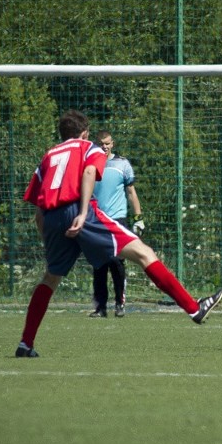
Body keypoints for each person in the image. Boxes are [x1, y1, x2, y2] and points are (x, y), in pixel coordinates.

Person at [16, 110, 222, 357]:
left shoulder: (48, 156)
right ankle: (194, 308)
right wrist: (82, 214)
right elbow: (90, 173)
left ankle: (25, 344)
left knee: (50, 278)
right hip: (79, 210)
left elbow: (38, 210)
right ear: (84, 133)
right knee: (145, 253)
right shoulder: (88, 147)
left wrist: (48, 239)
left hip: (51, 217)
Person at [88, 130, 144, 318]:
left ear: (113, 144)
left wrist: (138, 218)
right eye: (101, 143)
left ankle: (120, 303)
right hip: (97, 220)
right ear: (96, 144)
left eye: (107, 143)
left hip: (117, 219)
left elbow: (131, 193)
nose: (104, 146)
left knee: (116, 261)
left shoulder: (122, 164)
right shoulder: (90, 165)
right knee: (99, 264)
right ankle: (100, 306)